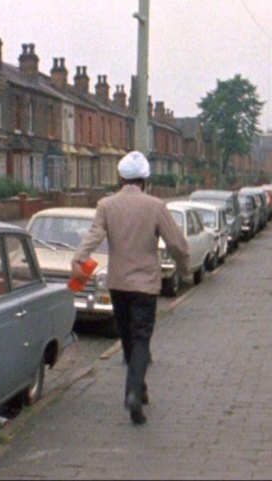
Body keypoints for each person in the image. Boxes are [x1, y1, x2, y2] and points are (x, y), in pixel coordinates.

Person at [71, 151, 189, 425]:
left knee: (127, 338)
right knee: (141, 339)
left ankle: (141, 389)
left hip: (118, 284)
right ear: (145, 180)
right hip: (146, 285)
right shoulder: (156, 206)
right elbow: (178, 244)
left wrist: (79, 258)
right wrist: (183, 270)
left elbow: (93, 236)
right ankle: (133, 392)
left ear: (121, 178)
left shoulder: (106, 205)